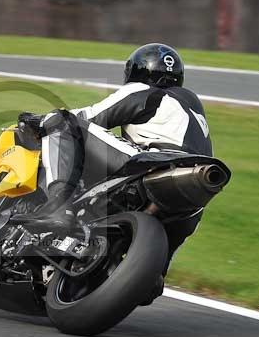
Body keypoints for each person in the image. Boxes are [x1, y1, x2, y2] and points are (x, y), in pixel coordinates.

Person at [12, 43, 213, 295]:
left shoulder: (144, 91)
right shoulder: (193, 107)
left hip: (153, 161)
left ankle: (58, 207)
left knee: (61, 121)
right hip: (195, 192)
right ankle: (152, 275)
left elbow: (90, 116)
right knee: (154, 276)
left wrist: (39, 121)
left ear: (135, 71)